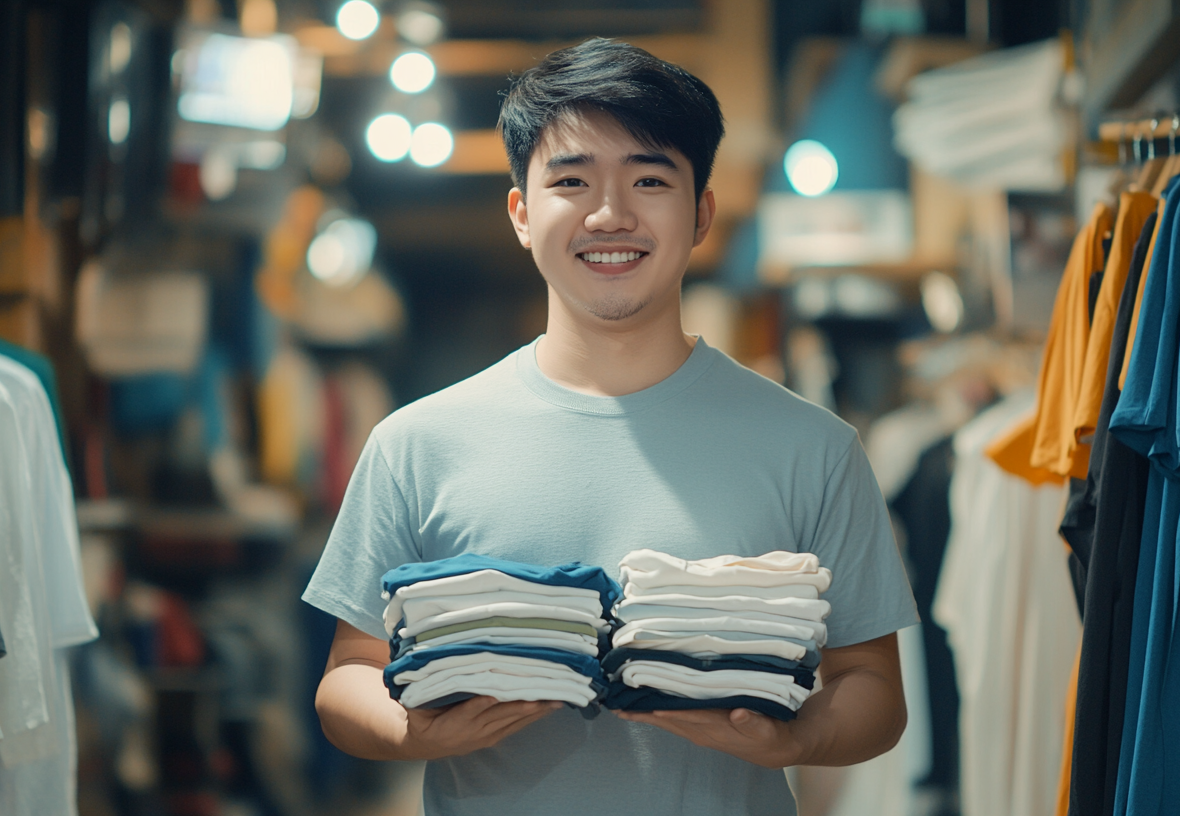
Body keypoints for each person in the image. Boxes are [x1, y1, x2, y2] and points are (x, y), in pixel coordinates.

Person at [303, 37, 919, 815]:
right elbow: (346, 675)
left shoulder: (814, 448)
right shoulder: (416, 443)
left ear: (700, 214)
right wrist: (409, 730)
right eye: (571, 181)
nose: (609, 214)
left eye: (650, 179)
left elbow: (873, 689)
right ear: (522, 214)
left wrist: (799, 741)